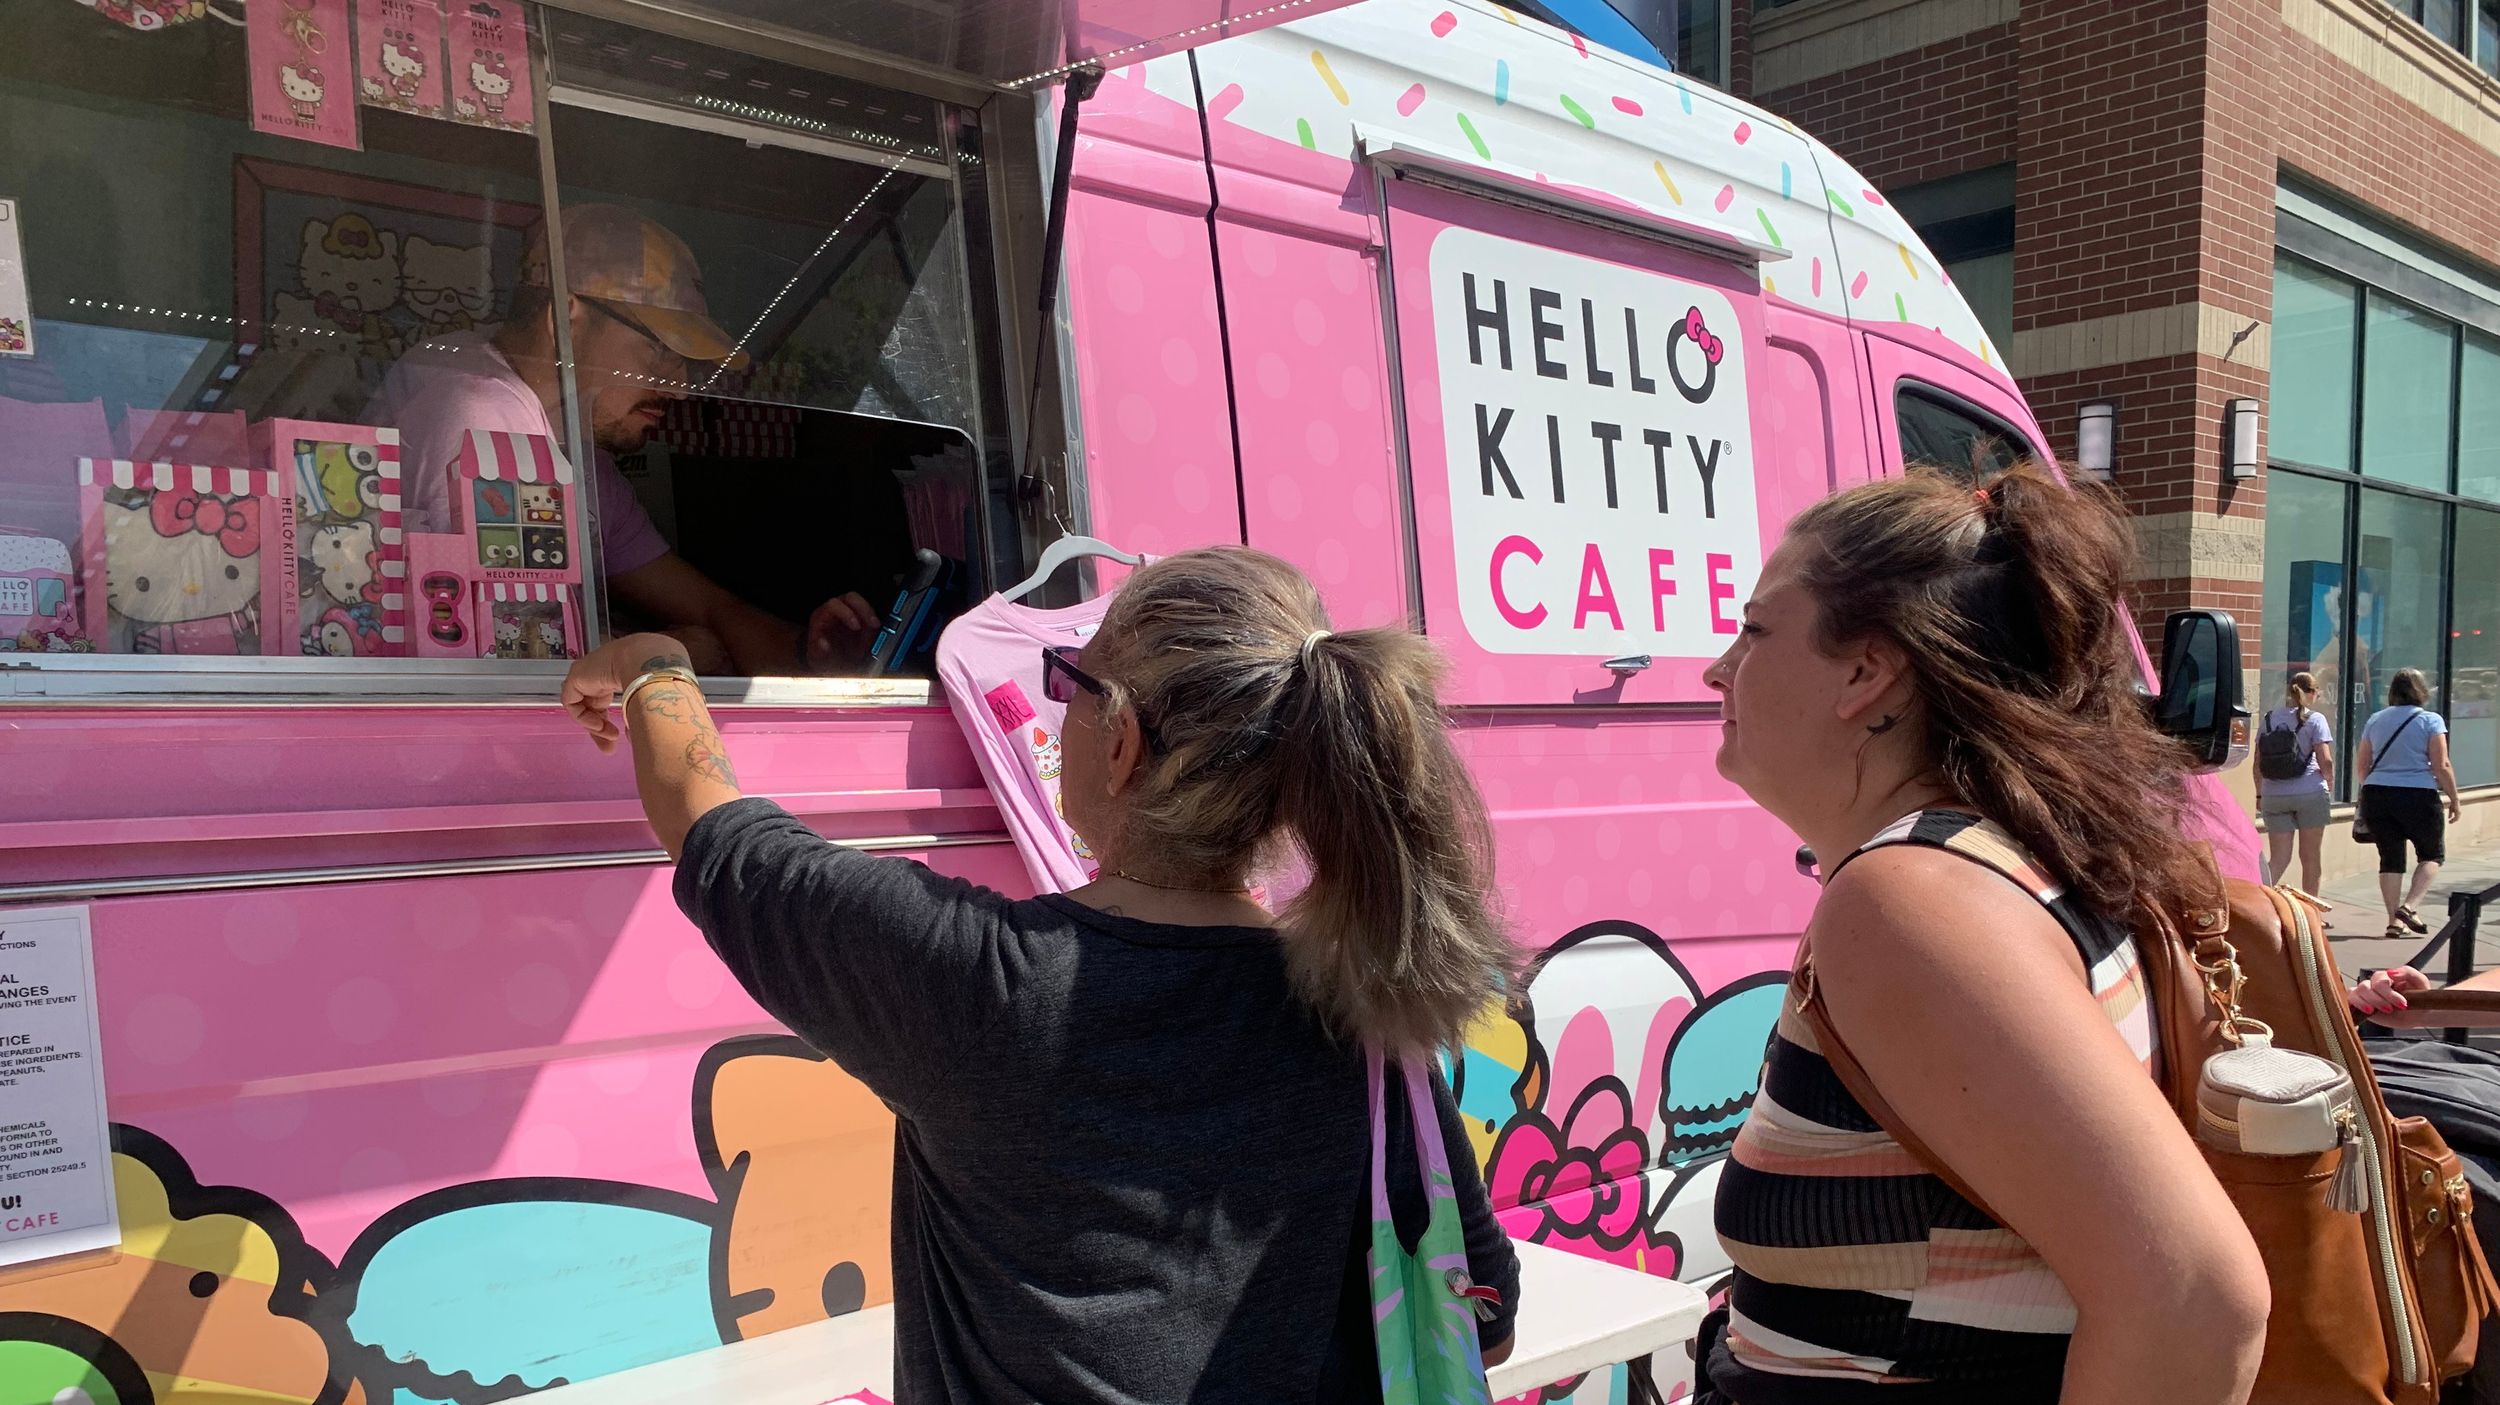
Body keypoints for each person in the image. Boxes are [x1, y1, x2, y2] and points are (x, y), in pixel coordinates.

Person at [558, 546, 1521, 1400]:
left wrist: (656, 665)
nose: (1057, 705)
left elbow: (711, 824)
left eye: (1071, 680)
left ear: (1123, 742)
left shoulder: (979, 983)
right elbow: (1483, 1308)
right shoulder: (1361, 1011)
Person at [1697, 465, 2268, 1404]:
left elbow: (2194, 1297)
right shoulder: (2000, 861)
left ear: (1867, 670)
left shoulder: (1909, 901)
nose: (1721, 667)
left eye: (1756, 631)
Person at [374, 203, 877, 676]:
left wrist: (809, 654)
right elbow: (515, 653)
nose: (679, 388)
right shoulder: (477, 415)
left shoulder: (573, 437)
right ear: (565, 320)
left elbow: (709, 607)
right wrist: (661, 654)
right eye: (659, 350)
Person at [2357, 666, 2464, 940]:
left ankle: (2394, 921)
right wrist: (2454, 798)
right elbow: (2441, 764)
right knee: (2431, 855)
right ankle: (2410, 906)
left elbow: (2362, 764)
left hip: (2377, 793)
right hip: (2418, 794)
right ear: (2422, 691)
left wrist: (2369, 789)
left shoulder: (2376, 720)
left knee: (2390, 859)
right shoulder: (2431, 720)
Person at [2256, 671, 2335, 898]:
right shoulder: (2315, 719)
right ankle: (2312, 912)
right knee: (2310, 858)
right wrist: (2329, 781)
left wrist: (2260, 795)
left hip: (2273, 795)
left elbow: (2257, 763)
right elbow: (2325, 759)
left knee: (2279, 858)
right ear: (2310, 693)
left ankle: (2258, 901)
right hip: (2309, 792)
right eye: (2317, 692)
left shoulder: (2268, 719)